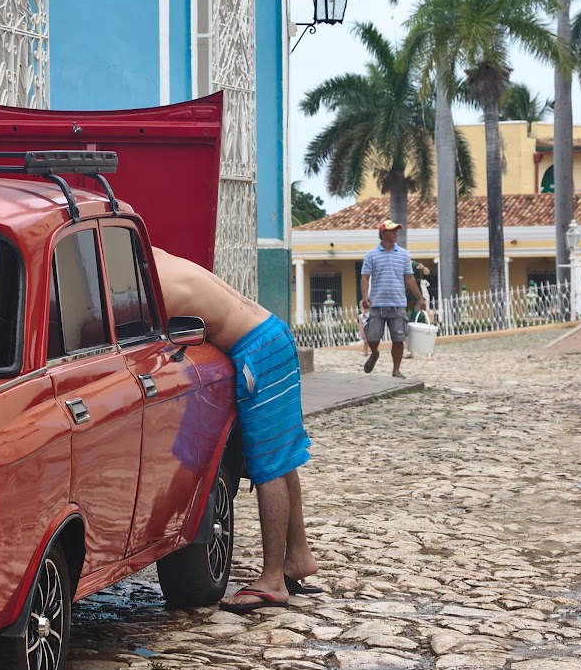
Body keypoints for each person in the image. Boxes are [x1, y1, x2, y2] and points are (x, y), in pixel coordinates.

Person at [151, 248, 318, 614]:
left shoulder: (148, 282)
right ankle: (298, 556)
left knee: (267, 466)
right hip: (273, 334)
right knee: (282, 460)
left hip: (255, 351)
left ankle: (273, 580)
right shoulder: (159, 257)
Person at [359, 218, 423, 378]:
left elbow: (409, 278)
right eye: (392, 231)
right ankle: (374, 354)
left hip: (398, 304)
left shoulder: (403, 254)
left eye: (396, 230)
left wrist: (420, 298)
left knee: (398, 338)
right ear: (382, 233)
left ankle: (396, 370)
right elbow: (365, 277)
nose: (395, 233)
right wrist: (365, 296)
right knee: (372, 337)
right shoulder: (371, 255)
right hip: (377, 303)